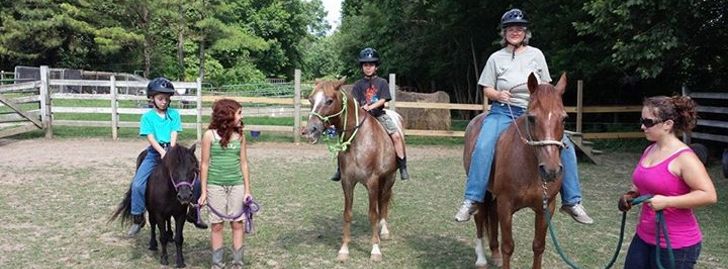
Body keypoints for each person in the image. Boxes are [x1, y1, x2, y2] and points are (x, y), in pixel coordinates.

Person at [454, 8, 593, 224]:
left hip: (533, 112)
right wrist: (498, 94)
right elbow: (486, 89)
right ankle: (472, 198)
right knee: (483, 145)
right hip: (503, 110)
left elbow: (546, 86)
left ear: (525, 32)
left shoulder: (536, 55)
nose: (514, 32)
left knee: (565, 145)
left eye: (519, 28)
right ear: (504, 32)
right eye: (510, 28)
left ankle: (572, 201)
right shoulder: (495, 58)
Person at [619, 96, 717, 269]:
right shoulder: (650, 149)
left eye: (648, 122)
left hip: (676, 244)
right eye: (642, 120)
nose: (642, 126)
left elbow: (709, 195)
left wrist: (667, 201)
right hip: (644, 237)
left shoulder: (685, 158)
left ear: (668, 124)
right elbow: (642, 185)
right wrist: (631, 195)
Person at [127, 77, 208, 236]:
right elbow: (150, 137)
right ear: (152, 98)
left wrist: (171, 151)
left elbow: (174, 132)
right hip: (155, 152)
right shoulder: (147, 117)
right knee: (137, 184)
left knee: (196, 180)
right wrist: (162, 152)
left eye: (166, 98)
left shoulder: (174, 114)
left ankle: (194, 213)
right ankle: (137, 217)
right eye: (160, 98)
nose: (164, 101)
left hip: (172, 150)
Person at [329, 47, 410, 181]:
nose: (368, 67)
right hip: (361, 118)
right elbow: (354, 103)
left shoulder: (382, 82)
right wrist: (361, 108)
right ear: (362, 67)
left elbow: (383, 99)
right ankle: (340, 169)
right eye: (365, 65)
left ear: (376, 67)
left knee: (395, 135)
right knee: (344, 139)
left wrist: (370, 106)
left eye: (371, 65)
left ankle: (402, 165)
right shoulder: (358, 85)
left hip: (378, 115)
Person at [198, 99, 253, 269]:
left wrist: (247, 190)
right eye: (239, 113)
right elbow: (204, 164)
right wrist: (204, 192)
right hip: (215, 185)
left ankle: (238, 263)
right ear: (228, 115)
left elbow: (244, 163)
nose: (241, 116)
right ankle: (217, 264)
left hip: (236, 185)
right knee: (216, 225)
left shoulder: (241, 136)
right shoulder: (209, 136)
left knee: (237, 224)